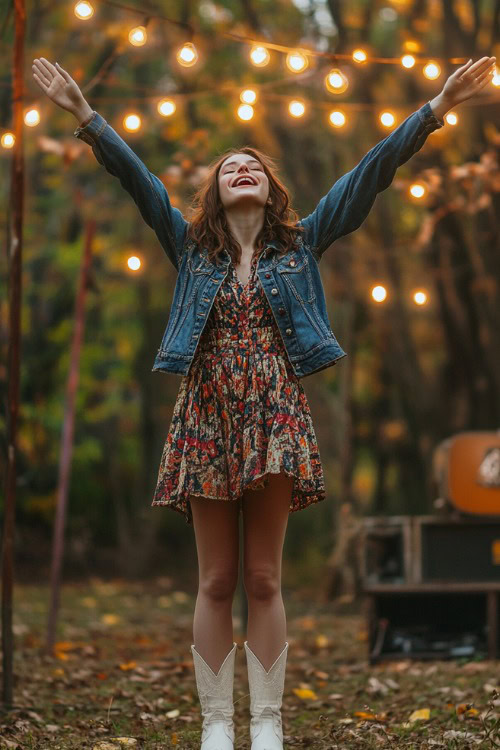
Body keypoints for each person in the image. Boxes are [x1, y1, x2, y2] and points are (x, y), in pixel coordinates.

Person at [32, 54, 496, 750]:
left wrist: (434, 109)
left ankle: (268, 724)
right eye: (228, 168)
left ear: (271, 187)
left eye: (252, 164)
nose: (241, 169)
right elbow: (137, 179)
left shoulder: (302, 244)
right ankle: (219, 723)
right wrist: (83, 114)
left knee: (263, 576)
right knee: (215, 579)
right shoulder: (190, 248)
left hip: (275, 415)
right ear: (215, 194)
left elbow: (371, 170)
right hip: (208, 415)